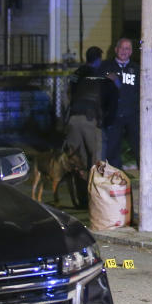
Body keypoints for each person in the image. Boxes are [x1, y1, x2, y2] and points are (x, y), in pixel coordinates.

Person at [64, 46, 116, 206]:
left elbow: (67, 95)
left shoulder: (76, 74)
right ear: (99, 59)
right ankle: (97, 201)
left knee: (76, 161)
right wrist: (106, 122)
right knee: (96, 162)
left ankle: (80, 200)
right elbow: (111, 103)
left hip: (73, 120)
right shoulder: (103, 77)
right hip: (91, 121)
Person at [101, 37, 140, 170]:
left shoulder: (136, 69)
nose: (124, 51)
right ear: (116, 49)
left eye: (127, 48)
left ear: (131, 52)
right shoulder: (106, 67)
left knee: (138, 145)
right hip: (113, 114)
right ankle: (115, 176)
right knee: (112, 147)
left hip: (132, 114)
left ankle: (144, 173)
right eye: (122, 48)